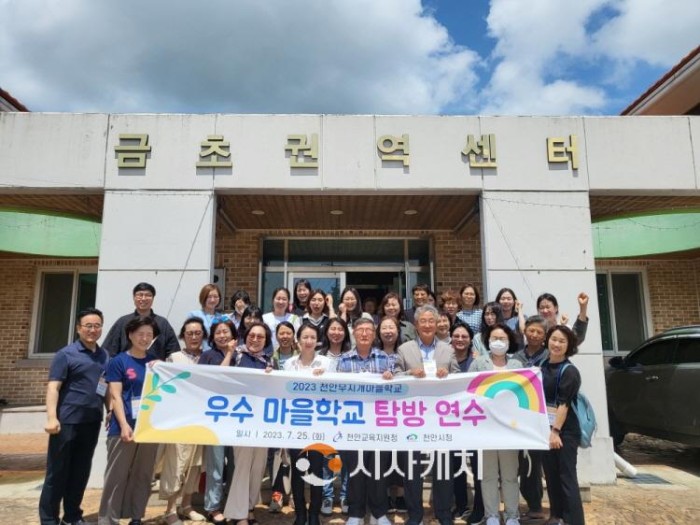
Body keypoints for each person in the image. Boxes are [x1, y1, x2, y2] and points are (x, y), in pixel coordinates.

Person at [39, 308, 109, 525]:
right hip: (66, 422)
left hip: (91, 422)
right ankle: (49, 519)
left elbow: (104, 387)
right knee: (57, 473)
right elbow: (53, 388)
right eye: (88, 326)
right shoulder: (66, 354)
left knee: (80, 472)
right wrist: (52, 417)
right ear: (79, 328)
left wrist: (110, 411)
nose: (92, 330)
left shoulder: (105, 355)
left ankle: (72, 516)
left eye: (97, 325)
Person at [393, 305, 460, 525]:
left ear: (437, 323)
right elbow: (394, 377)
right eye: (424, 321)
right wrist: (409, 373)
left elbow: (460, 379)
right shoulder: (405, 349)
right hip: (412, 418)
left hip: (440, 418)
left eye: (432, 321)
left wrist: (447, 374)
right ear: (417, 324)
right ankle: (415, 514)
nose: (428, 325)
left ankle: (442, 512)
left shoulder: (448, 350)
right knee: (412, 469)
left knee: (443, 467)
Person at [98, 316, 160, 525]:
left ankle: (136, 516)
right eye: (140, 334)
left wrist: (162, 367)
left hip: (148, 429)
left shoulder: (154, 363)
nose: (144, 338)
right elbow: (115, 395)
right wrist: (124, 425)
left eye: (149, 335)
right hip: (123, 427)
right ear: (130, 335)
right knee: (116, 476)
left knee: (143, 475)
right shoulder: (118, 362)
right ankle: (108, 519)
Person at [336, 317, 395, 525]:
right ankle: (356, 513)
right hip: (352, 424)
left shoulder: (386, 359)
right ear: (353, 333)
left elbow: (399, 388)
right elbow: (335, 390)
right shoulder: (343, 360)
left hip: (379, 424)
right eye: (360, 330)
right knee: (355, 469)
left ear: (374, 333)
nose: (364, 334)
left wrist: (392, 377)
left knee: (378, 469)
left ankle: (379, 513)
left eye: (368, 330)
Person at [467, 324, 522, 525]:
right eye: (494, 338)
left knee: (509, 475)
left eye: (503, 338)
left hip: (510, 428)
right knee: (488, 474)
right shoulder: (479, 363)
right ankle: (491, 514)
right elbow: (467, 390)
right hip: (485, 428)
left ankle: (511, 515)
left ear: (509, 341)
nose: (498, 341)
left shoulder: (517, 365)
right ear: (488, 341)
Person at [221, 321, 275, 525]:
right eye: (252, 335)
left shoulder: (269, 361)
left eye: (260, 337)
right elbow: (221, 374)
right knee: (243, 466)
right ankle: (239, 514)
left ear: (266, 340)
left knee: (258, 467)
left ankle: (250, 507)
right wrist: (228, 352)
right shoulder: (237, 354)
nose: (255, 339)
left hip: (263, 422)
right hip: (241, 420)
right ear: (246, 336)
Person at [284, 324, 334, 525]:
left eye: (312, 337)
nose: (309, 341)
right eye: (305, 337)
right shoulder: (288, 364)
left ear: (317, 341)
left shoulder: (327, 363)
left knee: (316, 470)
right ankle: (300, 514)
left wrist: (326, 378)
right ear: (298, 340)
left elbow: (334, 392)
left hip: (318, 425)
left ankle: (314, 514)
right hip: (296, 423)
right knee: (297, 471)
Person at [160, 318, 208, 524]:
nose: (194, 336)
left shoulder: (208, 358)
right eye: (190, 333)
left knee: (195, 465)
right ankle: (170, 509)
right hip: (180, 421)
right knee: (176, 464)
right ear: (183, 336)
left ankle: (186, 505)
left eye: (198, 333)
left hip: (203, 420)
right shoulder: (174, 358)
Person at [541, 325, 585, 525]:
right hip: (546, 430)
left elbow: (564, 404)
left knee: (566, 477)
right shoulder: (543, 366)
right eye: (554, 339)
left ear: (569, 346)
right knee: (551, 476)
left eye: (562, 341)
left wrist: (555, 432)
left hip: (564, 431)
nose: (556, 344)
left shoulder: (570, 371)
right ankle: (556, 516)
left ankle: (573, 520)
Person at [199, 315, 238, 524]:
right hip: (215, 419)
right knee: (215, 465)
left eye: (226, 331)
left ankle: (233, 504)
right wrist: (230, 352)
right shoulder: (207, 356)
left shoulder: (242, 355)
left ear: (233, 334)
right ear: (213, 336)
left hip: (240, 418)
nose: (222, 335)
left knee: (234, 465)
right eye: (218, 332)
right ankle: (213, 507)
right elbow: (218, 377)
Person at [513, 316, 548, 520]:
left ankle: (540, 506)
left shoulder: (549, 356)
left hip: (543, 418)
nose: (534, 335)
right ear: (525, 332)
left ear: (544, 336)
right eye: (531, 331)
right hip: (520, 417)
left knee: (541, 464)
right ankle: (531, 503)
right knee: (526, 463)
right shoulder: (516, 357)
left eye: (539, 332)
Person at [448, 322, 483, 523]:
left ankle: (479, 507)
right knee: (455, 464)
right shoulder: (444, 359)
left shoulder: (477, 361)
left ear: (471, 340)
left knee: (478, 465)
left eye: (464, 336)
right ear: (451, 338)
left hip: (474, 421)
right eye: (456, 336)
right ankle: (460, 505)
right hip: (452, 421)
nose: (460, 339)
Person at [318, 317, 351, 514]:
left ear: (345, 332)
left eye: (340, 329)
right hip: (326, 413)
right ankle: (327, 497)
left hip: (348, 413)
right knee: (327, 457)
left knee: (347, 457)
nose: (336, 332)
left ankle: (345, 495)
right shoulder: (319, 355)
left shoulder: (351, 355)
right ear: (327, 332)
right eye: (333, 329)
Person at [101, 282, 179, 360]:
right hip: (127, 369)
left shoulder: (163, 323)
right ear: (134, 298)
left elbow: (173, 353)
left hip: (154, 369)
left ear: (153, 298)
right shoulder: (123, 322)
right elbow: (109, 351)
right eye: (140, 295)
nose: (143, 298)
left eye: (148, 295)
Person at [187, 283, 223, 350]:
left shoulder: (221, 317)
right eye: (209, 297)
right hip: (199, 355)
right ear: (203, 297)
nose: (212, 300)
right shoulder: (194, 315)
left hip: (218, 354)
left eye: (215, 297)